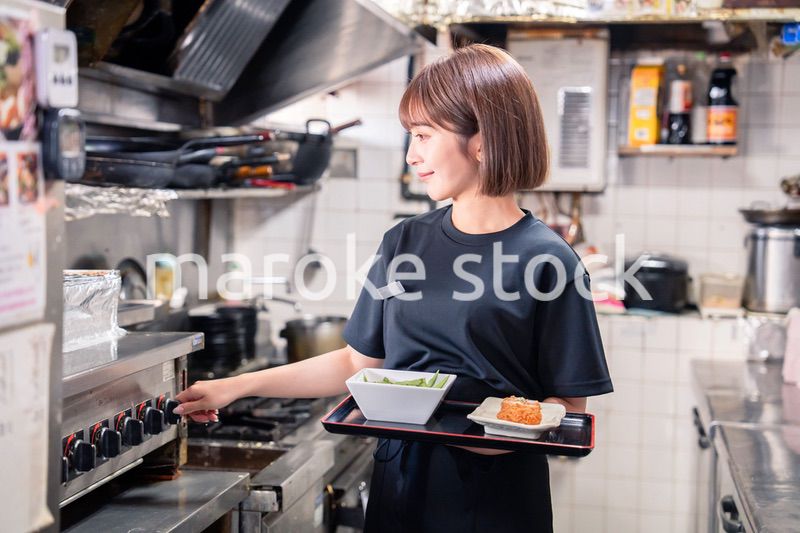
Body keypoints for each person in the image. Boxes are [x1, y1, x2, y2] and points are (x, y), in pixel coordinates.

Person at [175, 43, 613, 532]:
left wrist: (492, 434)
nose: (412, 155)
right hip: (398, 492)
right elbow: (356, 364)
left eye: (424, 135)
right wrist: (234, 387)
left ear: (483, 140)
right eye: (411, 136)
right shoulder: (405, 241)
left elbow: (570, 406)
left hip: (494, 500)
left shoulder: (549, 259)